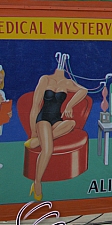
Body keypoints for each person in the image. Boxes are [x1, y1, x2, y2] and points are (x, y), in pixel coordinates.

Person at [25, 53, 89, 201]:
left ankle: (38, 142)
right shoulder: (45, 79)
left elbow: (84, 90)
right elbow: (35, 106)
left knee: (71, 123)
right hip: (44, 119)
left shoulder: (67, 83)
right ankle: (37, 182)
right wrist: (33, 131)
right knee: (48, 149)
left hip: (57, 119)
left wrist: (69, 104)